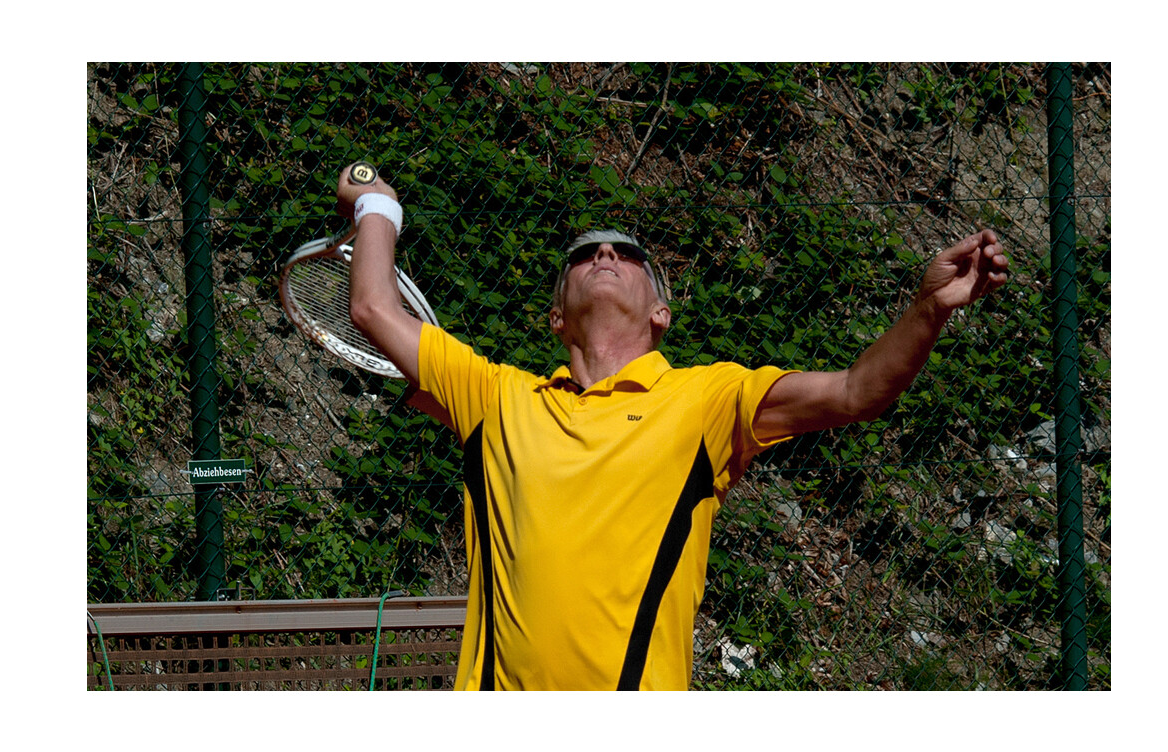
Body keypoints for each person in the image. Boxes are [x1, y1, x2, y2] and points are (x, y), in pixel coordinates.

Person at [338, 166, 1009, 691]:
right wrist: (378, 205)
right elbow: (371, 307)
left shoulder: (706, 400)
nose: (604, 251)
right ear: (556, 316)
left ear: (662, 312)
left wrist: (929, 309)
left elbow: (858, 391)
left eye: (627, 252)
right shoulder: (494, 397)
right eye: (582, 254)